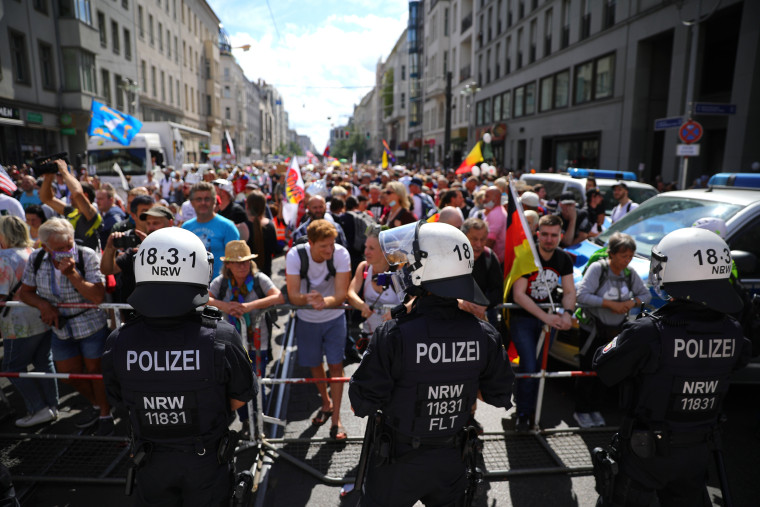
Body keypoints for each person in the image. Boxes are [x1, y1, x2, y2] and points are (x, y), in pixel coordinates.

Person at [348, 221, 515, 506]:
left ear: (423, 272)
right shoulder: (485, 334)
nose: (403, 269)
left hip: (396, 462)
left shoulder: (393, 334)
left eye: (409, 264)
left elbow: (359, 404)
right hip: (452, 460)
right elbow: (499, 395)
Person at [592, 227, 751, 506]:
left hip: (646, 456)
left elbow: (604, 368)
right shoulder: (734, 331)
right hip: (698, 452)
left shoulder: (649, 331)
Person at [102, 227, 256, 506]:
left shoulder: (119, 340)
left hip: (150, 463)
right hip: (206, 463)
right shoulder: (221, 336)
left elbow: (119, 400)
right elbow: (239, 396)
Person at [17, 218, 113, 435]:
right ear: (45, 247)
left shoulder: (86, 255)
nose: (66, 252)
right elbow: (25, 292)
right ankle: (97, 404)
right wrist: (43, 305)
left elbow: (98, 296)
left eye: (68, 245)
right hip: (60, 328)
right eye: (59, 249)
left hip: (89, 324)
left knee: (95, 372)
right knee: (69, 373)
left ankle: (105, 414)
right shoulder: (37, 258)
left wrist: (72, 274)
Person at [573, 233, 651, 428]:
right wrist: (609, 305)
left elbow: (646, 295)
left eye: (630, 256)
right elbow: (581, 295)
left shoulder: (629, 274)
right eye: (624, 256)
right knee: (587, 371)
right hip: (592, 332)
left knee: (605, 371)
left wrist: (631, 302)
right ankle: (582, 411)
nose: (627, 261)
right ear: (612, 254)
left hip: (614, 333)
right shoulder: (598, 269)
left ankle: (595, 409)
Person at [285, 219, 351, 440]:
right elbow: (293, 295)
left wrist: (324, 301)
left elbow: (342, 294)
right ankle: (326, 402)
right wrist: (308, 299)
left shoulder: (341, 254)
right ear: (310, 243)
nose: (330, 250)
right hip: (307, 318)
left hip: (334, 317)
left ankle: (336, 420)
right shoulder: (295, 255)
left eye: (332, 244)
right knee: (314, 365)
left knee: (335, 365)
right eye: (324, 246)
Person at [509, 214, 576, 431]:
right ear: (538, 234)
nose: (549, 239)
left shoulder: (563, 259)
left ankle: (533, 409)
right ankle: (522, 413)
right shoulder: (526, 256)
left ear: (561, 236)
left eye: (554, 235)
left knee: (540, 367)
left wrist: (567, 313)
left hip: (549, 319)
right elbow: (518, 294)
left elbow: (569, 291)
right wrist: (546, 316)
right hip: (524, 319)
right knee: (529, 365)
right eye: (545, 234)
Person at [0, 216, 59, 428]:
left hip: (18, 323)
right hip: (42, 316)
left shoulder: (3, 258)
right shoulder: (34, 253)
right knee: (44, 360)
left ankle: (39, 408)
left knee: (11, 367)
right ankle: (52, 406)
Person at [346, 227, 403, 354]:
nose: (366, 252)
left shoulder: (400, 271)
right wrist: (362, 306)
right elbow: (350, 294)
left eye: (371, 248)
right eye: (366, 247)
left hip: (396, 340)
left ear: (385, 251)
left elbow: (414, 301)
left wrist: (396, 312)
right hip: (371, 340)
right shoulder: (363, 268)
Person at [39, 159, 103, 251]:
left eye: (71, 194)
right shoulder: (71, 211)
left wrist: (64, 171)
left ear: (85, 196)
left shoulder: (92, 214)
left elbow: (77, 193)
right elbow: (47, 199)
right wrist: (49, 176)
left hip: (86, 262)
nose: (70, 197)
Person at [182, 182, 240, 279]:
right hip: (192, 286)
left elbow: (236, 260)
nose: (203, 203)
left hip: (220, 288)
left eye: (207, 199)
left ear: (214, 201)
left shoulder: (228, 227)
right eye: (199, 199)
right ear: (192, 203)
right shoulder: (186, 228)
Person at [244, 190, 279, 277]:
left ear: (247, 206)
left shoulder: (242, 227)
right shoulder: (271, 225)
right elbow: (274, 249)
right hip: (266, 276)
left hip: (247, 278)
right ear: (264, 206)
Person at [95, 183, 127, 248]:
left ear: (111, 200)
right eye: (97, 199)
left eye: (101, 199)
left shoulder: (114, 216)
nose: (97, 202)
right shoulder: (109, 213)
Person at [483, 186, 507, 264]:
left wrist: (482, 257)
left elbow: (490, 240)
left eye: (487, 196)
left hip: (494, 260)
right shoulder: (499, 211)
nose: (484, 199)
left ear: (496, 198)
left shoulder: (496, 214)